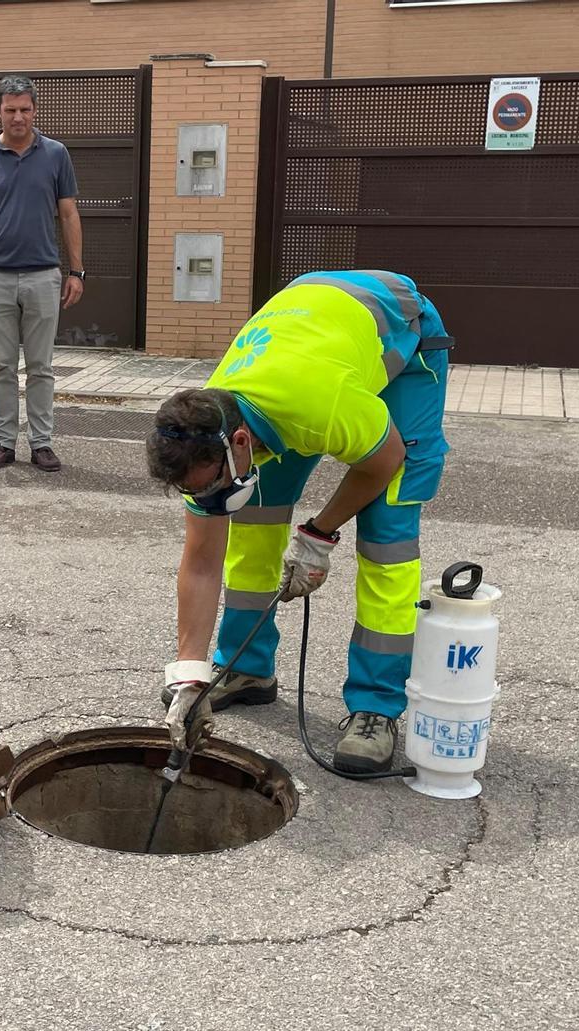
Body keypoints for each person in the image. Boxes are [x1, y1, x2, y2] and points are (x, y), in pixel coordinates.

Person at [146, 270, 452, 773]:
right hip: (307, 330)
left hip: (400, 331)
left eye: (210, 486)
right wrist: (188, 676)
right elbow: (201, 565)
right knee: (252, 521)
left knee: (386, 533)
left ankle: (375, 706)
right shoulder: (204, 431)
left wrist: (319, 533)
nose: (205, 498)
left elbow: (383, 459)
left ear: (239, 443)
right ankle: (245, 668)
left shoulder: (321, 407)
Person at [0, 74, 84, 474]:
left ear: (35, 110)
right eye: (11, 110)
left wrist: (76, 271)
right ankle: (4, 442)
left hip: (44, 275)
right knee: (2, 366)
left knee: (41, 366)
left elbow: (69, 213)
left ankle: (41, 443)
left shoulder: (56, 154)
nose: (18, 117)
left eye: (25, 109)